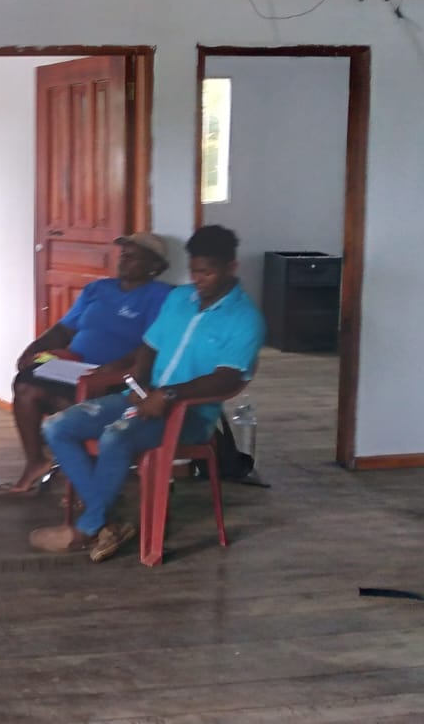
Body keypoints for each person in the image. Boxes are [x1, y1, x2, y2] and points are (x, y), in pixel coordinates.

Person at [29, 224, 264, 563]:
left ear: (231, 268)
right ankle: (107, 521)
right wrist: (139, 383)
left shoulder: (245, 319)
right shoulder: (180, 299)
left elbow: (226, 379)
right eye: (194, 271)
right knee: (57, 427)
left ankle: (89, 527)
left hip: (190, 416)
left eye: (208, 272)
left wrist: (167, 395)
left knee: (115, 436)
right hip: (144, 399)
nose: (198, 280)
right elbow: (149, 346)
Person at [0, 233, 172, 496]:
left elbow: (152, 344)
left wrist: (113, 368)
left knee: (72, 405)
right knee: (25, 385)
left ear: (154, 266)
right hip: (74, 368)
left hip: (115, 377)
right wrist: (33, 349)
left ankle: (88, 482)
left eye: (132, 256)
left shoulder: (161, 296)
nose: (123, 260)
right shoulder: (97, 289)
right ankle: (36, 462)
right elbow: (64, 329)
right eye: (123, 254)